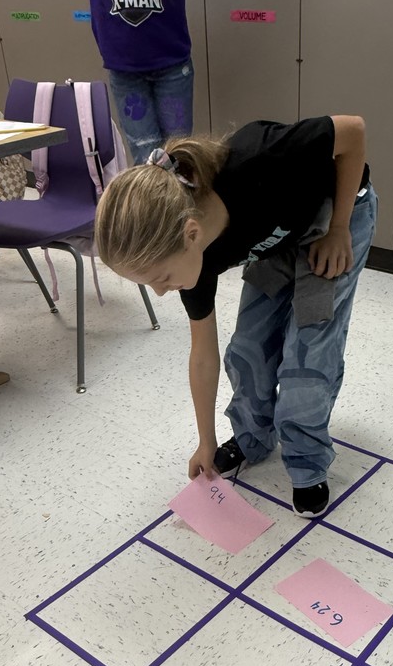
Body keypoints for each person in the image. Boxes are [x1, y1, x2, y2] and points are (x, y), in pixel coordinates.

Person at [94, 115, 377, 517]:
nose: (160, 291)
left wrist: (339, 228)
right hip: (273, 236)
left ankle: (307, 461)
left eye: (161, 278)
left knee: (308, 357)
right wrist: (204, 441)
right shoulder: (191, 256)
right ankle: (251, 438)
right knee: (247, 348)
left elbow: (354, 132)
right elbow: (203, 356)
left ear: (192, 234)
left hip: (331, 214)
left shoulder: (262, 161)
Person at [86, 0, 193, 164]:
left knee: (179, 160)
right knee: (147, 164)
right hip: (124, 66)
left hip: (170, 61)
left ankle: (181, 198)